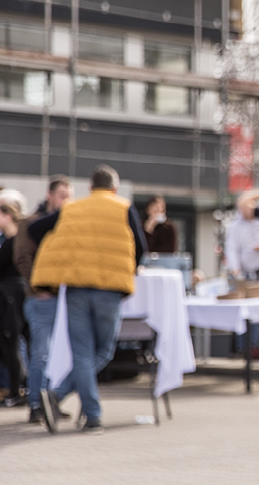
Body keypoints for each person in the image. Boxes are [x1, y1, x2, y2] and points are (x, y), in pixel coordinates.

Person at [29, 165, 148, 434]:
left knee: (82, 353)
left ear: (90, 188)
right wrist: (128, 268)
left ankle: (60, 397)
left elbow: (36, 229)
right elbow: (140, 248)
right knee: (103, 351)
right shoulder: (123, 207)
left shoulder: (73, 208)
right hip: (109, 290)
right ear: (114, 189)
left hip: (76, 289)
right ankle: (88, 414)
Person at [13, 175, 73, 423]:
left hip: (64, 298)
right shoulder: (31, 223)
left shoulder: (68, 222)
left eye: (69, 196)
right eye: (62, 195)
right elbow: (22, 258)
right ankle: (37, 403)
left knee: (60, 354)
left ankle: (52, 401)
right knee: (41, 353)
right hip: (42, 299)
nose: (66, 201)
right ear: (49, 195)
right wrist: (39, 288)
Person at [0, 203, 25, 407]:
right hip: (10, 295)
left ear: (7, 216)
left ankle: (16, 390)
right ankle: (16, 389)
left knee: (11, 342)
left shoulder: (15, 241)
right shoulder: (9, 240)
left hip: (12, 297)